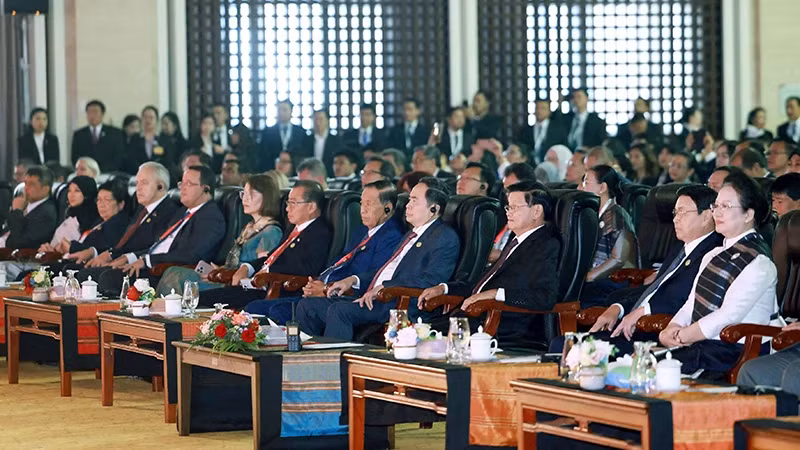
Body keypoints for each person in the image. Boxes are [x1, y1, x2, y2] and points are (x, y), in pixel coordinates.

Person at [296, 177, 459, 340]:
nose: (407, 205)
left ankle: (334, 363)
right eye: (409, 199)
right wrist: (353, 280)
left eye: (414, 201)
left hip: (396, 301)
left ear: (433, 208)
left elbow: (430, 280)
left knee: (339, 311)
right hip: (375, 297)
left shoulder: (444, 237)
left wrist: (384, 287)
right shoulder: (411, 234)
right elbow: (388, 269)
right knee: (308, 306)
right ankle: (306, 361)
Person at [659, 172, 780, 376]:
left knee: (655, 369)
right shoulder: (714, 253)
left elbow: (728, 316)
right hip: (703, 344)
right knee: (645, 364)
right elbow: (692, 302)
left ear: (748, 214)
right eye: (716, 205)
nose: (717, 213)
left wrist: (683, 336)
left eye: (726, 206)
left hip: (736, 350)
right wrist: (672, 327)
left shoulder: (759, 262)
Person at [582, 185, 723, 355]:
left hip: (658, 331)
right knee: (565, 346)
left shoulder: (714, 252)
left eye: (683, 212)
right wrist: (618, 307)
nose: (675, 219)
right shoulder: (680, 247)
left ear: (707, 216)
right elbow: (654, 288)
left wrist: (642, 312)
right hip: (634, 324)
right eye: (675, 213)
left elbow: (681, 296)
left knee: (577, 351)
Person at [419, 181, 560, 344]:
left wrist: (496, 294)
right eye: (508, 207)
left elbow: (545, 297)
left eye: (515, 207)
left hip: (501, 326)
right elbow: (481, 286)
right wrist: (444, 288)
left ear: (536, 211)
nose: (508, 213)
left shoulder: (546, 245)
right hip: (471, 319)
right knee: (413, 334)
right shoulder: (516, 242)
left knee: (420, 340)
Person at [248, 179, 405, 323]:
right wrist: (318, 282)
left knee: (278, 311)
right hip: (325, 291)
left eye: (368, 204)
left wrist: (325, 289)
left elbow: (374, 277)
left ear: (387, 208)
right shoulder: (361, 231)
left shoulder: (391, 236)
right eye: (361, 203)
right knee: (255, 307)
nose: (362, 210)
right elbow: (340, 260)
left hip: (345, 298)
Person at [197, 180, 332, 308]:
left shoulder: (319, 232)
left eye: (293, 203)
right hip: (257, 285)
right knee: (199, 298)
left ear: (311, 207)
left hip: (279, 290)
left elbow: (305, 268)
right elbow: (273, 257)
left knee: (205, 300)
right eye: (287, 203)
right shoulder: (294, 228)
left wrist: (267, 273)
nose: (287, 209)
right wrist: (247, 267)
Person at [96, 165, 226, 293]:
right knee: (100, 273)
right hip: (152, 264)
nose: (182, 188)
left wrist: (147, 261)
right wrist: (132, 257)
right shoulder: (183, 212)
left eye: (189, 184)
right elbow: (160, 245)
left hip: (165, 272)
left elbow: (191, 255)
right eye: (182, 184)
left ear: (206, 189)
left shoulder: (210, 217)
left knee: (108, 278)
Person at [157, 174, 283, 295]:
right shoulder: (249, 227)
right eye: (244, 193)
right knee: (173, 271)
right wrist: (219, 269)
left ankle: (161, 312)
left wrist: (224, 274)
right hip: (223, 276)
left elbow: (262, 269)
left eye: (252, 194)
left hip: (234, 286)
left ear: (267, 197)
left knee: (178, 275)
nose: (245, 198)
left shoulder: (271, 232)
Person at [78, 162, 180, 270]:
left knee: (90, 274)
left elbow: (153, 248)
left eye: (144, 183)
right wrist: (108, 254)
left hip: (141, 268)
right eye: (137, 183)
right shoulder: (142, 209)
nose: (138, 188)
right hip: (120, 259)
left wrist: (125, 257)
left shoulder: (169, 212)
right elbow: (126, 242)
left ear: (161, 186)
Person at [578, 165, 639, 307]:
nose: (580, 188)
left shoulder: (617, 215)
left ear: (602, 187)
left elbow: (618, 259)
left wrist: (589, 276)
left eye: (586, 182)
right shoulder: (594, 215)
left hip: (615, 281)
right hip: (597, 280)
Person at [489, 164, 538, 264]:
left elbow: (529, 259)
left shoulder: (535, 219)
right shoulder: (501, 212)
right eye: (506, 190)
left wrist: (500, 255)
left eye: (513, 189)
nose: (508, 195)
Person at [0, 166, 58, 250]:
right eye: (25, 183)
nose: (26, 188)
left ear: (45, 189)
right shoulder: (25, 204)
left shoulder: (47, 214)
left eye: (32, 185)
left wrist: (17, 211)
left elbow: (18, 243)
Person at [71, 100, 125, 173]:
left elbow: (118, 157)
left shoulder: (114, 133)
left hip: (108, 173)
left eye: (95, 112)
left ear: (102, 114)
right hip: (86, 174)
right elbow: (75, 157)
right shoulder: (79, 134)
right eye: (89, 112)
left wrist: (101, 170)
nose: (92, 115)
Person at [516, 98, 568, 163]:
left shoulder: (558, 130)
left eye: (543, 108)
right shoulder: (526, 130)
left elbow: (564, 150)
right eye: (537, 108)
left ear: (549, 111)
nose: (539, 111)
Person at [302, 109, 341, 175]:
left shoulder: (336, 140)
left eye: (321, 119)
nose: (317, 123)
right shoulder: (306, 140)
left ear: (327, 121)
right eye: (315, 119)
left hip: (330, 175)